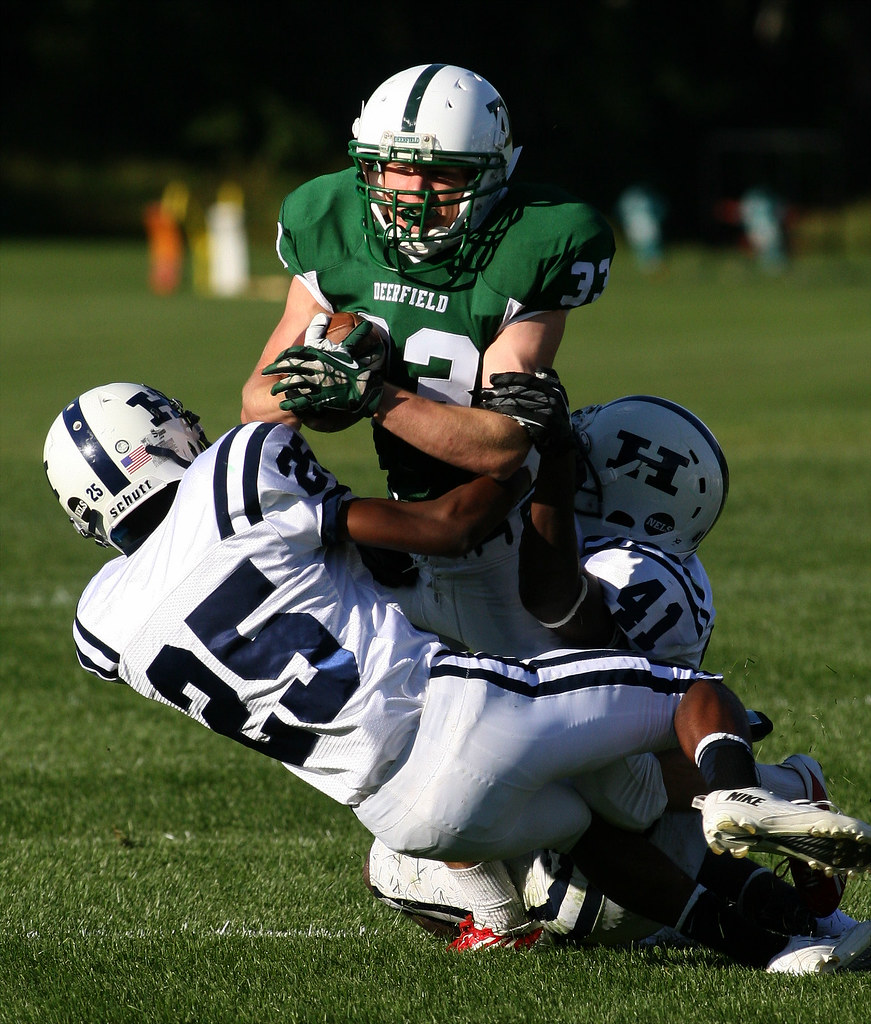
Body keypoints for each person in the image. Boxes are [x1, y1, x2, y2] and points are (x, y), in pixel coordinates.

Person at [45, 382, 871, 974]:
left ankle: (772, 949)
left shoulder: (101, 622)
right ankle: (746, 787)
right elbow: (444, 527)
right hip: (455, 716)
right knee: (695, 697)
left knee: (591, 825)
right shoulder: (238, 471)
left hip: (406, 818)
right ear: (157, 443)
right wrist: (526, 455)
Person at [361, 387, 851, 946]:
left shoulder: (640, 571)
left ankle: (778, 792)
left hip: (618, 796)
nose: (566, 468)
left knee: (573, 848)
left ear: (629, 490)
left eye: (583, 465)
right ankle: (782, 864)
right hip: (595, 779)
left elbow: (559, 608)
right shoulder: (621, 552)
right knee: (432, 820)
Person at [240, 63, 615, 647]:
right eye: (395, 169)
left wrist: (371, 393)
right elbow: (257, 405)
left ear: (495, 173)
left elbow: (501, 445)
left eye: (441, 174)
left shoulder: (538, 239)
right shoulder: (330, 220)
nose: (411, 195)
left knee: (584, 710)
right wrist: (317, 379)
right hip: (404, 521)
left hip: (506, 530)